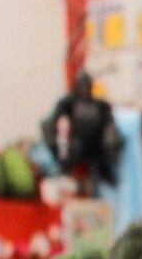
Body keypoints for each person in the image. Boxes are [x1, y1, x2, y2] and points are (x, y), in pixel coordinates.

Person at [41, 70, 123, 198]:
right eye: (82, 85)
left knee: (105, 176)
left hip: (97, 148)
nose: (84, 89)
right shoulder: (68, 103)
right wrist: (56, 147)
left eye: (87, 85)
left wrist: (111, 146)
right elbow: (49, 124)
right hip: (73, 147)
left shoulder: (101, 106)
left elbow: (110, 127)